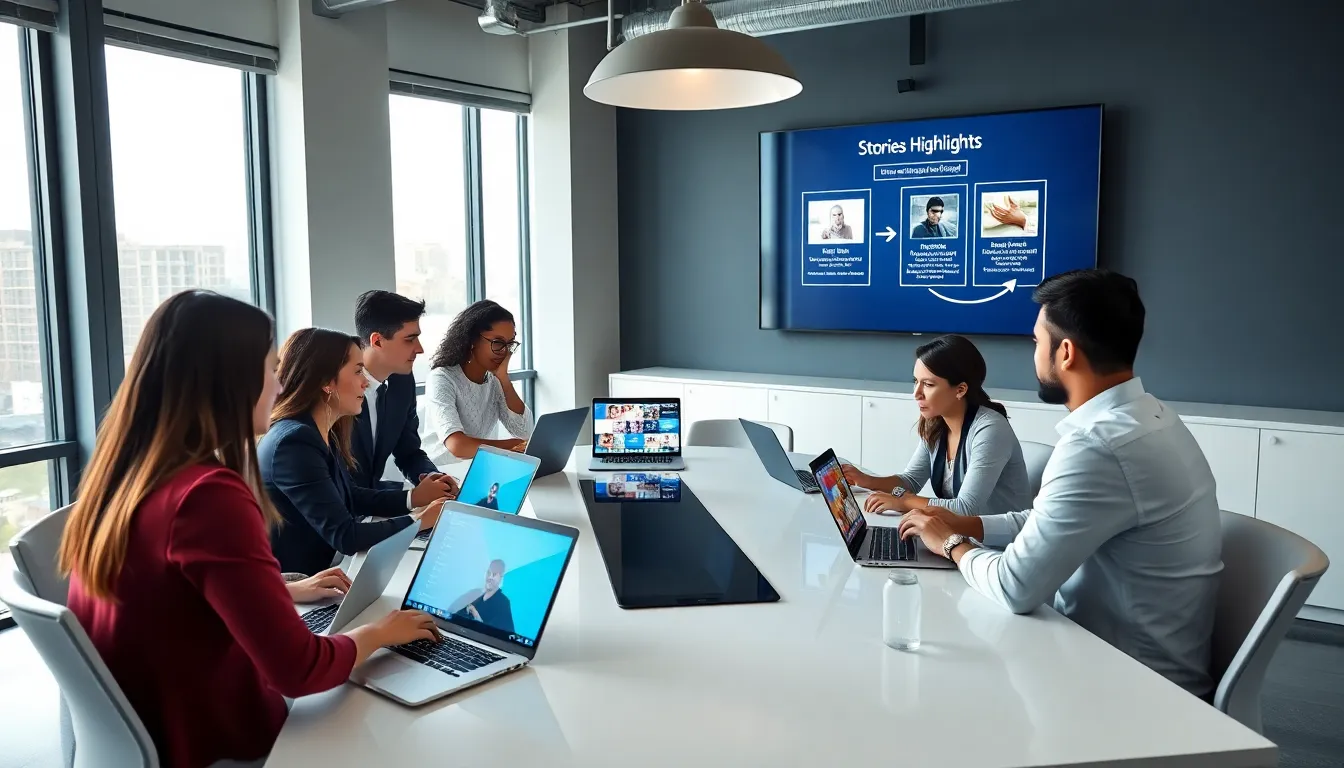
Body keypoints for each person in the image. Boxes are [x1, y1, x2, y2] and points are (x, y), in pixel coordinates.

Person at [60, 291, 440, 768]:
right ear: (230, 382)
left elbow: (179, 592)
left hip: (151, 725)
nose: (279, 387)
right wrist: (381, 633)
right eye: (270, 370)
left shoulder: (126, 477)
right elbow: (299, 670)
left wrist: (282, 589)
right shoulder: (207, 496)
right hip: (212, 739)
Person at [899, 269, 1223, 698]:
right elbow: (1049, 518)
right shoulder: (1149, 416)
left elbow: (1015, 587)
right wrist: (969, 525)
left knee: (935, 676)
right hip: (1114, 654)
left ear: (1065, 352)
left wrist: (951, 543)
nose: (1034, 353)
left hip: (1129, 687)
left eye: (1037, 343)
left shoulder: (1098, 445)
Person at [262, 328, 445, 577]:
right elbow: (346, 535)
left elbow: (350, 495)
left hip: (331, 570)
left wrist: (415, 499)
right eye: (358, 371)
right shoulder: (294, 442)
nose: (366, 381)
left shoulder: (322, 429)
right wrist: (420, 519)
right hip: (302, 585)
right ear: (327, 382)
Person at [843, 335, 1031, 519]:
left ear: (960, 390)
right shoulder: (937, 423)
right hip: (958, 534)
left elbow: (965, 508)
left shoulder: (990, 429)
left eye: (928, 384)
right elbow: (911, 481)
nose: (916, 393)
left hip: (1001, 544)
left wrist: (905, 502)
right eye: (916, 381)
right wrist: (868, 481)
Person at [351, 290, 459, 515]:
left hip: (372, 507)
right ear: (377, 341)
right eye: (410, 339)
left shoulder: (402, 381)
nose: (419, 349)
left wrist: (431, 478)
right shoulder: (338, 391)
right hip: (336, 522)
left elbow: (408, 451)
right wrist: (411, 499)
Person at [424, 300, 532, 462]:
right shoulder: (442, 378)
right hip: (440, 474)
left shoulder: (494, 381)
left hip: (476, 470)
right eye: (498, 342)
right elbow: (457, 446)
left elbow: (524, 432)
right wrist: (512, 446)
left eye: (509, 344)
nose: (504, 351)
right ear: (473, 340)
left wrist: (503, 379)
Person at [452, 560, 515, 633]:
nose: (490, 577)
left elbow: (503, 635)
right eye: (488, 573)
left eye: (494, 574)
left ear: (501, 577)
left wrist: (476, 616)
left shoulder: (503, 603)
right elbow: (453, 613)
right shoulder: (474, 593)